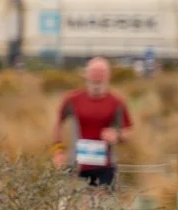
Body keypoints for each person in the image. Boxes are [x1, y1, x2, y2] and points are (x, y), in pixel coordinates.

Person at [54, 56, 133, 188]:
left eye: (101, 73)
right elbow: (58, 124)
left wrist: (117, 135)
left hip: (106, 167)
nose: (97, 77)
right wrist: (58, 151)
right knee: (76, 206)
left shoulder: (116, 103)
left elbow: (128, 131)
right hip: (76, 165)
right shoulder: (72, 100)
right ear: (86, 74)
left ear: (108, 76)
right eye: (93, 72)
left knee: (103, 206)